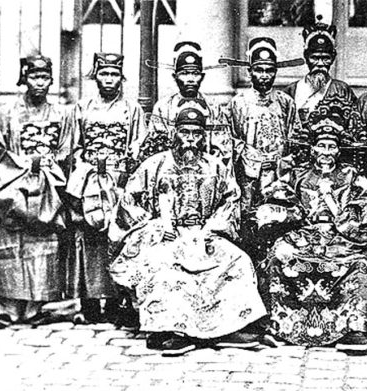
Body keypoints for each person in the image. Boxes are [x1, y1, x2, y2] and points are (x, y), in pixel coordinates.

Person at [109, 107, 267, 356]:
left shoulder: (216, 166)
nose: (190, 139)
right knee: (164, 265)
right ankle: (170, 331)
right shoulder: (155, 164)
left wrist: (211, 228)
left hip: (204, 231)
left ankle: (229, 328)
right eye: (185, 132)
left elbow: (231, 200)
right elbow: (128, 199)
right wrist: (150, 222)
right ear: (175, 133)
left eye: (196, 133)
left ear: (204, 136)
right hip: (164, 233)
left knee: (238, 260)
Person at [257, 101, 367, 352]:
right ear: (312, 148)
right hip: (304, 234)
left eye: (332, 146)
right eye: (321, 146)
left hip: (342, 238)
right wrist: (292, 213)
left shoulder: (351, 175)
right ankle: (278, 326)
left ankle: (354, 329)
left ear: (339, 150)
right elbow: (275, 198)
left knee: (359, 264)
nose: (326, 152)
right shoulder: (298, 175)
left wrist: (341, 215)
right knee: (277, 256)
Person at [64, 52, 145, 324]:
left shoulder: (132, 109)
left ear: (121, 78)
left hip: (119, 180)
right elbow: (72, 148)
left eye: (114, 74)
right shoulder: (82, 108)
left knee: (117, 237)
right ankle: (88, 302)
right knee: (88, 237)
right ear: (95, 76)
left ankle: (114, 302)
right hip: (89, 180)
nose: (109, 79)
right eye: (104, 74)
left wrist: (125, 172)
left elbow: (138, 146)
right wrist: (84, 169)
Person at [0, 55, 69, 328]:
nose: (40, 83)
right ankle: (7, 308)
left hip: (47, 186)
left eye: (45, 77)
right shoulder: (6, 113)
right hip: (14, 187)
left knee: (42, 244)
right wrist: (21, 168)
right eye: (34, 77)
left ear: (51, 80)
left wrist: (49, 166)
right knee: (11, 244)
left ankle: (36, 307)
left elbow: (66, 150)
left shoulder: (60, 114)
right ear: (24, 79)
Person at [223, 37, 300, 262]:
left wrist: (282, 161)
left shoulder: (285, 102)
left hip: (279, 175)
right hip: (249, 177)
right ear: (250, 72)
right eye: (259, 70)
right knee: (248, 224)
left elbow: (296, 138)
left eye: (269, 70)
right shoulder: (238, 103)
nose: (264, 75)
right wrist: (249, 155)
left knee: (278, 223)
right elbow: (228, 140)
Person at [142, 41, 214, 160]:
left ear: (202, 76)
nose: (190, 79)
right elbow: (156, 143)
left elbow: (221, 146)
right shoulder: (163, 107)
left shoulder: (212, 107)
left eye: (195, 73)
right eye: (184, 74)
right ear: (174, 77)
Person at [283, 16, 357, 123]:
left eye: (326, 58)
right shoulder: (292, 90)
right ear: (306, 58)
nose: (320, 64)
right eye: (315, 58)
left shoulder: (343, 90)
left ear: (333, 59)